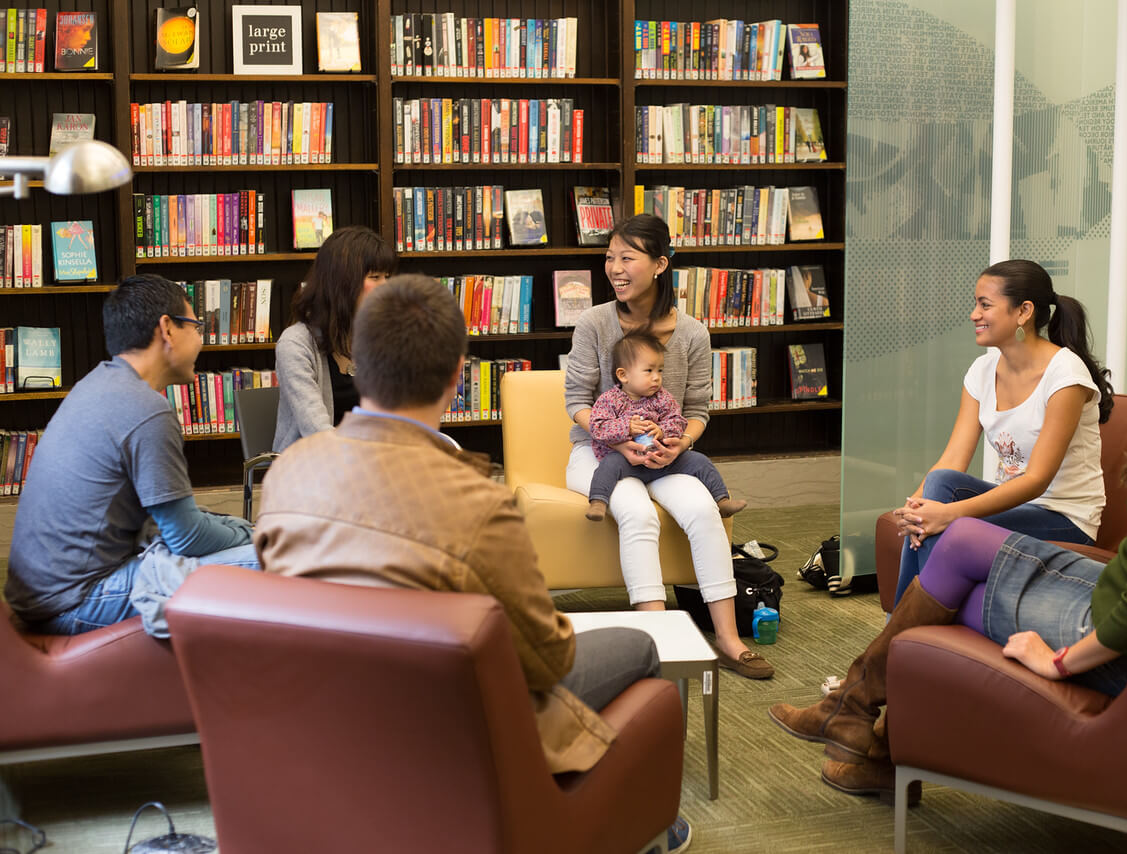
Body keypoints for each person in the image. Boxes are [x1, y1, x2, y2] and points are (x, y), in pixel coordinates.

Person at [769, 261, 1127, 799]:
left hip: (1125, 620)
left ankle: (867, 721)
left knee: (950, 574)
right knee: (952, 527)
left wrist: (1058, 662)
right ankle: (858, 714)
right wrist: (927, 507)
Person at [253, 274, 691, 853]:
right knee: (641, 646)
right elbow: (545, 658)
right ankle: (638, 822)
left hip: (330, 728)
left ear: (360, 361)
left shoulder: (286, 474)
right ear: (459, 374)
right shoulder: (476, 502)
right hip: (443, 725)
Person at [564, 213, 774, 680]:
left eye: (627, 257)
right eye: (609, 258)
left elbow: (698, 408)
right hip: (601, 453)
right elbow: (576, 401)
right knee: (636, 514)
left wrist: (681, 445)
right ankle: (658, 642)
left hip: (664, 452)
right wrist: (619, 439)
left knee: (704, 510)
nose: (615, 268)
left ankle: (728, 640)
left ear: (659, 265)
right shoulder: (595, 323)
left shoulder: (694, 333)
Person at [4, 274, 258, 636]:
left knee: (245, 539)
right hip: (75, 600)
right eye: (196, 326)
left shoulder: (96, 383)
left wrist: (237, 529)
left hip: (41, 595)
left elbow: (173, 523)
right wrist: (248, 533)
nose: (202, 339)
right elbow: (185, 538)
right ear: (167, 329)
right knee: (279, 557)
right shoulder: (146, 408)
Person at [890, 259, 1114, 607]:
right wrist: (915, 507)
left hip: (1064, 520)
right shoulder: (982, 370)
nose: (973, 314)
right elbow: (952, 459)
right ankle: (908, 630)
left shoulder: (1065, 374)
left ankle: (901, 631)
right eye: (975, 303)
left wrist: (949, 514)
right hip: (1015, 507)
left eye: (985, 305)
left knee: (943, 515)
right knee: (937, 490)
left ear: (1024, 311)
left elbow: (1037, 480)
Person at [586, 330, 747, 521]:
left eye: (659, 370)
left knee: (699, 461)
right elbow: (597, 427)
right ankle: (598, 502)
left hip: (664, 459)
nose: (656, 377)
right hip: (626, 460)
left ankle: (721, 501)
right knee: (608, 466)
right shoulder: (610, 400)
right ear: (623, 375)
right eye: (649, 370)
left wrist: (662, 430)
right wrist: (626, 427)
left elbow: (678, 421)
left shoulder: (663, 398)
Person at [273, 225, 396, 452]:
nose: (386, 287)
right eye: (375, 277)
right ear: (342, 283)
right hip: (311, 466)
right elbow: (316, 428)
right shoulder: (295, 344)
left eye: (387, 277)